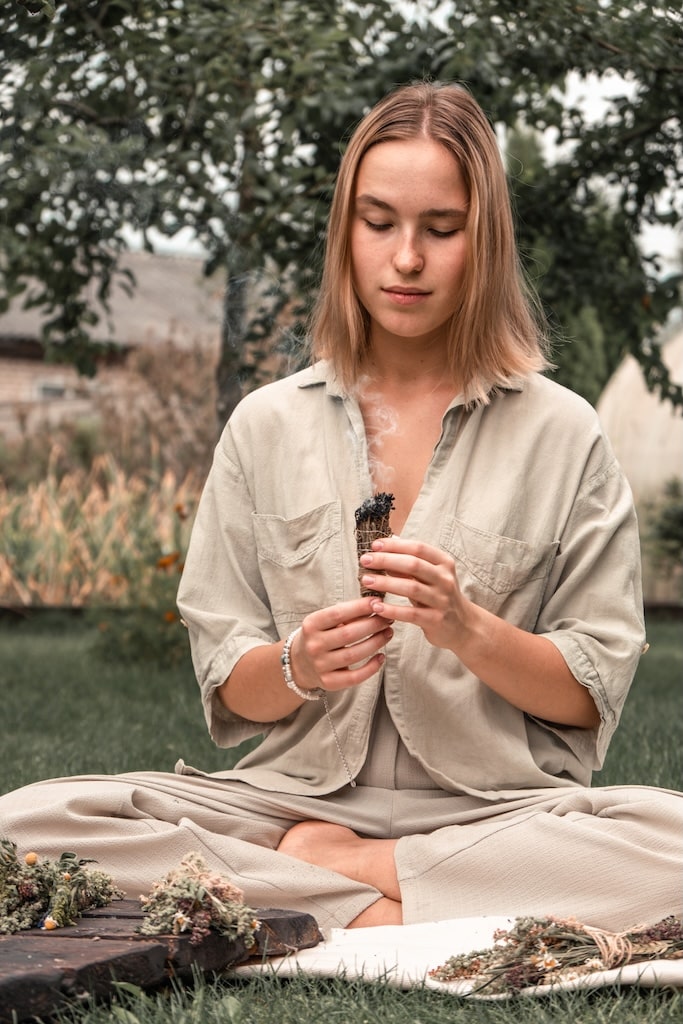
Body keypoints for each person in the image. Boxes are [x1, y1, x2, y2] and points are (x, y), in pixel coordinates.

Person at [1, 81, 681, 935]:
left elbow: (588, 694)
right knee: (27, 822)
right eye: (378, 223)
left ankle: (343, 887)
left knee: (672, 843)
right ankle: (403, 915)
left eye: (440, 230)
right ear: (344, 233)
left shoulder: (564, 432)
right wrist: (298, 665)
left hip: (498, 816)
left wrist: (467, 629)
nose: (405, 259)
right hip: (284, 807)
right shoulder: (264, 425)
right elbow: (231, 687)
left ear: (485, 241)